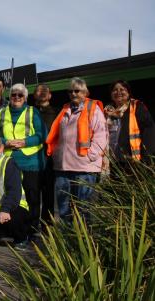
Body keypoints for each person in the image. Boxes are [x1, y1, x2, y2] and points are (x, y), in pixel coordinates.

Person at [46, 77, 107, 222]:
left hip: (84, 168)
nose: (73, 94)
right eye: (70, 91)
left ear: (85, 92)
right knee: (63, 209)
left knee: (83, 209)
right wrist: (56, 155)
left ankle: (83, 242)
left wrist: (90, 157)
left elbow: (101, 135)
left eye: (77, 91)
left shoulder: (93, 108)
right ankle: (67, 241)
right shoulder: (65, 108)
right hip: (63, 167)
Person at [0, 83, 46, 234]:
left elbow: (42, 135)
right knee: (9, 197)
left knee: (32, 198)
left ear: (25, 98)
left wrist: (25, 142)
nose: (16, 97)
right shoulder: (1, 113)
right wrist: (5, 142)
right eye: (13, 94)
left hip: (31, 163)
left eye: (20, 95)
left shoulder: (32, 112)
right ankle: (12, 229)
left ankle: (32, 230)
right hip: (8, 163)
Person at [104, 79, 155, 163]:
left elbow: (149, 133)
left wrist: (146, 157)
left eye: (122, 89)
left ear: (128, 93)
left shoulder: (137, 107)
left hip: (132, 160)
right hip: (111, 161)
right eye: (115, 90)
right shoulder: (107, 111)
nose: (118, 92)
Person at [33, 83, 58, 226]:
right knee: (33, 194)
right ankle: (32, 225)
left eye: (45, 91)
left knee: (48, 195)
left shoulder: (57, 112)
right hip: (31, 159)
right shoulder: (30, 111)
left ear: (49, 95)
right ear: (34, 95)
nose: (41, 93)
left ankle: (47, 227)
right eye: (38, 91)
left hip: (49, 159)